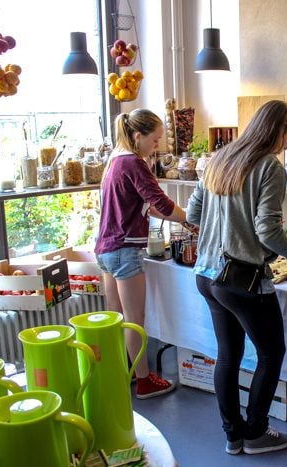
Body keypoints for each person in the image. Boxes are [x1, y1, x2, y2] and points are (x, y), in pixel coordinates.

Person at [186, 100, 287, 456]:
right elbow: (267, 230)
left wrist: (228, 228)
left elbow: (193, 212)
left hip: (207, 273)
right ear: (277, 130)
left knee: (228, 356)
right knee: (271, 353)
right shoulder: (269, 167)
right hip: (241, 279)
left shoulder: (220, 158)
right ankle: (257, 433)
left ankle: (233, 436)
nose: (285, 145)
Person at [95, 108, 192, 399]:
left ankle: (121, 374)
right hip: (124, 249)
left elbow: (144, 206)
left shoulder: (115, 159)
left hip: (105, 247)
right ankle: (145, 380)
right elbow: (160, 203)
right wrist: (190, 218)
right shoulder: (134, 162)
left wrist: (180, 218)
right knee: (135, 319)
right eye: (154, 139)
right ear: (138, 136)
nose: (157, 146)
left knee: (117, 318)